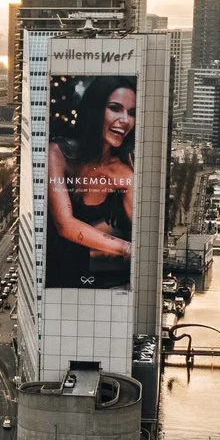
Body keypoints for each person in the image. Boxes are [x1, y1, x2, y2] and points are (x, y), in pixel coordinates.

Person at [45, 76, 137, 289]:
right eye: (115, 108)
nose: (125, 120)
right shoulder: (57, 154)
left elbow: (141, 229)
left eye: (132, 113)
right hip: (52, 280)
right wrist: (127, 249)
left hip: (96, 283)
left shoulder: (125, 173)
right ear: (94, 109)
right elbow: (65, 225)